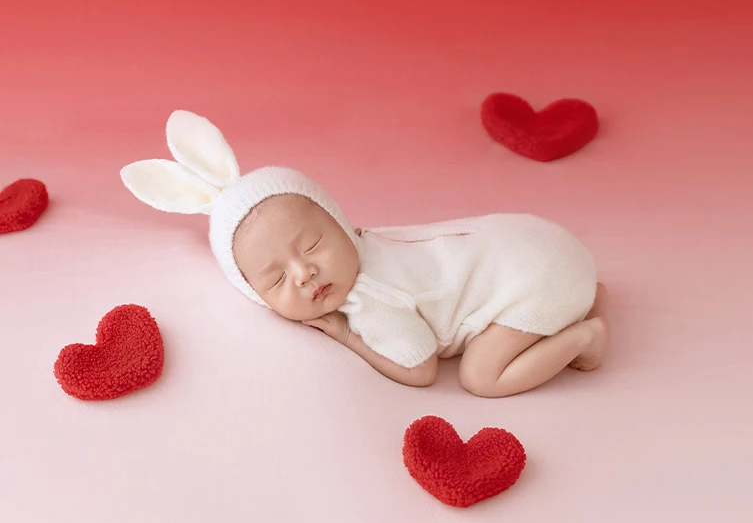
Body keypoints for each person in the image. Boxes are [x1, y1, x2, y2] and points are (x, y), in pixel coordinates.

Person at [122, 110, 608, 398]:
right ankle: (587, 294)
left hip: (540, 278)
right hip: (544, 242)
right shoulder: (372, 245)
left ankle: (584, 334)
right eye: (275, 280)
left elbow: (419, 370)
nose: (304, 272)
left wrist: (346, 336)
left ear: (340, 223)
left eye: (311, 245)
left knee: (481, 377)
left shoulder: (365, 298)